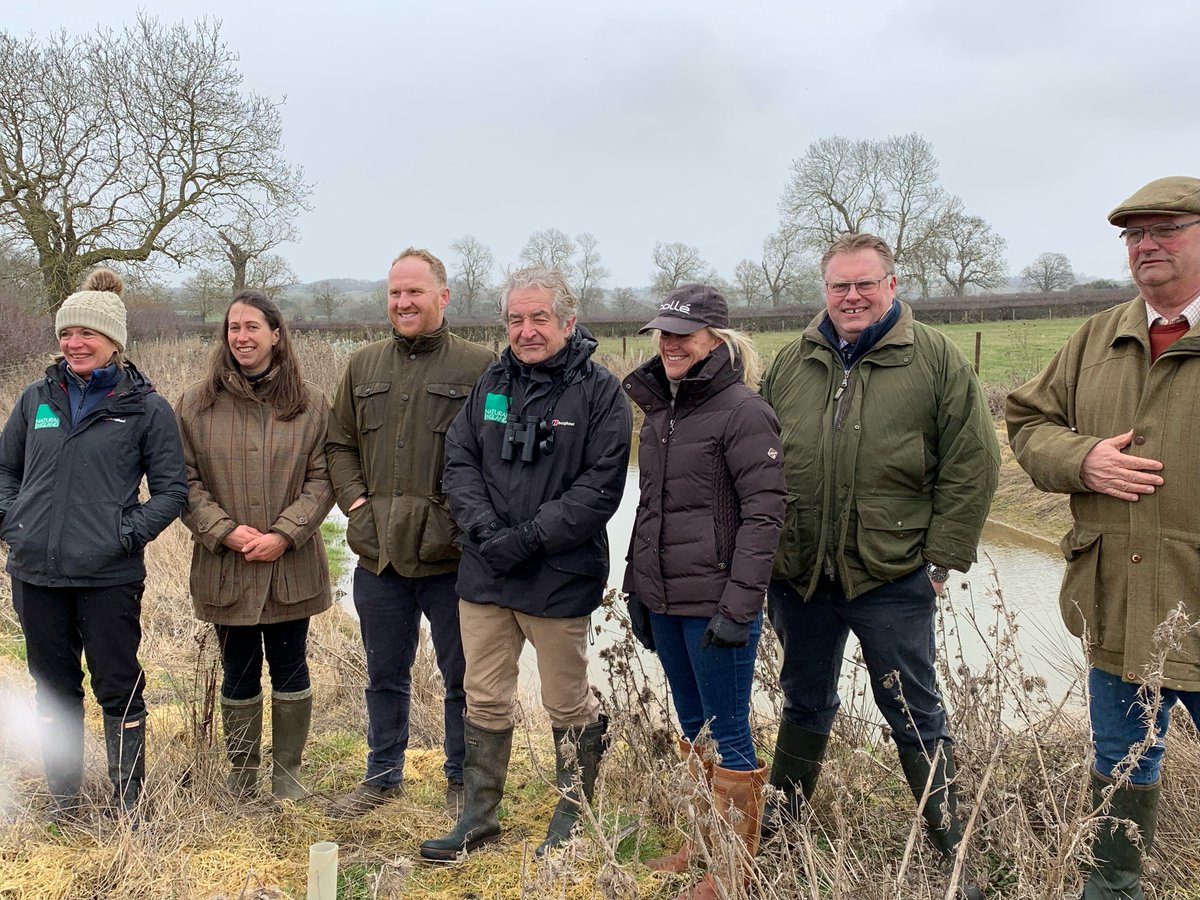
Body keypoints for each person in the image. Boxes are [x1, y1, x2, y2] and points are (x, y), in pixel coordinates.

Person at [760, 233, 998, 898]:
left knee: (914, 711)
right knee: (803, 702)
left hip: (893, 575)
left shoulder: (936, 361)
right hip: (801, 575)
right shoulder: (793, 362)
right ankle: (778, 841)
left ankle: (953, 857)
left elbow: (973, 463)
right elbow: (760, 462)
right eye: (840, 286)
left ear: (892, 286)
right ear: (825, 291)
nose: (852, 297)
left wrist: (942, 559)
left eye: (866, 284)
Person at [1006, 176, 1200, 899]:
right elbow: (1027, 424)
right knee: (1121, 764)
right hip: (1117, 603)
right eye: (1133, 235)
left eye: (1166, 229)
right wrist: (1081, 459)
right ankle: (1111, 889)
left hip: (1198, 601)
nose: (1146, 245)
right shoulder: (1098, 335)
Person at [420, 267, 632, 861]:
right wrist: (486, 531)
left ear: (567, 320)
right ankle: (478, 817)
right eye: (515, 319)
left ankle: (572, 814)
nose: (526, 330)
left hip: (558, 574)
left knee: (565, 700)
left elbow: (600, 487)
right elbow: (458, 459)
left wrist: (531, 537)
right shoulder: (490, 382)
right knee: (483, 696)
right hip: (485, 571)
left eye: (539, 318)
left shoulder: (600, 393)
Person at [0, 268, 187, 821]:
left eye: (87, 334)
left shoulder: (147, 408)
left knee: (118, 686)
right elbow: (4, 470)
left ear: (114, 342)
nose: (74, 344)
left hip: (109, 576)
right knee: (53, 688)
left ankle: (129, 805)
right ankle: (63, 801)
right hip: (36, 572)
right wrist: (15, 523)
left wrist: (123, 535)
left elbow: (172, 491)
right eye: (66, 334)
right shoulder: (36, 399)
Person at [622, 284, 785, 899]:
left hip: (716, 605)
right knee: (694, 728)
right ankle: (700, 840)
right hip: (666, 600)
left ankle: (731, 870)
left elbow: (765, 516)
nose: (669, 344)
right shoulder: (662, 412)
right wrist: (638, 588)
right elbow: (652, 509)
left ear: (715, 339)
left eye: (683, 335)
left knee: (731, 730)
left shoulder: (744, 411)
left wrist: (738, 607)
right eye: (663, 333)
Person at [325, 248, 495, 819]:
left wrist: (457, 519)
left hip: (451, 557)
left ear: (442, 296)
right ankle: (381, 776)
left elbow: (495, 457)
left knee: (461, 676)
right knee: (384, 673)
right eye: (395, 293)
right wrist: (355, 504)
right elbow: (339, 444)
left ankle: (460, 779)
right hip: (380, 557)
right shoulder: (362, 366)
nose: (403, 303)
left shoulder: (480, 367)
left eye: (415, 292)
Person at [176, 290, 335, 802]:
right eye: (233, 328)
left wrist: (285, 533)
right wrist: (223, 529)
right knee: (237, 669)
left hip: (290, 566)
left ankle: (287, 777)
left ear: (276, 333)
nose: (241, 337)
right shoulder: (196, 405)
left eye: (252, 327)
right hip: (227, 565)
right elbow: (183, 480)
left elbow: (323, 478)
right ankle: (242, 780)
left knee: (291, 665)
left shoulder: (310, 404)